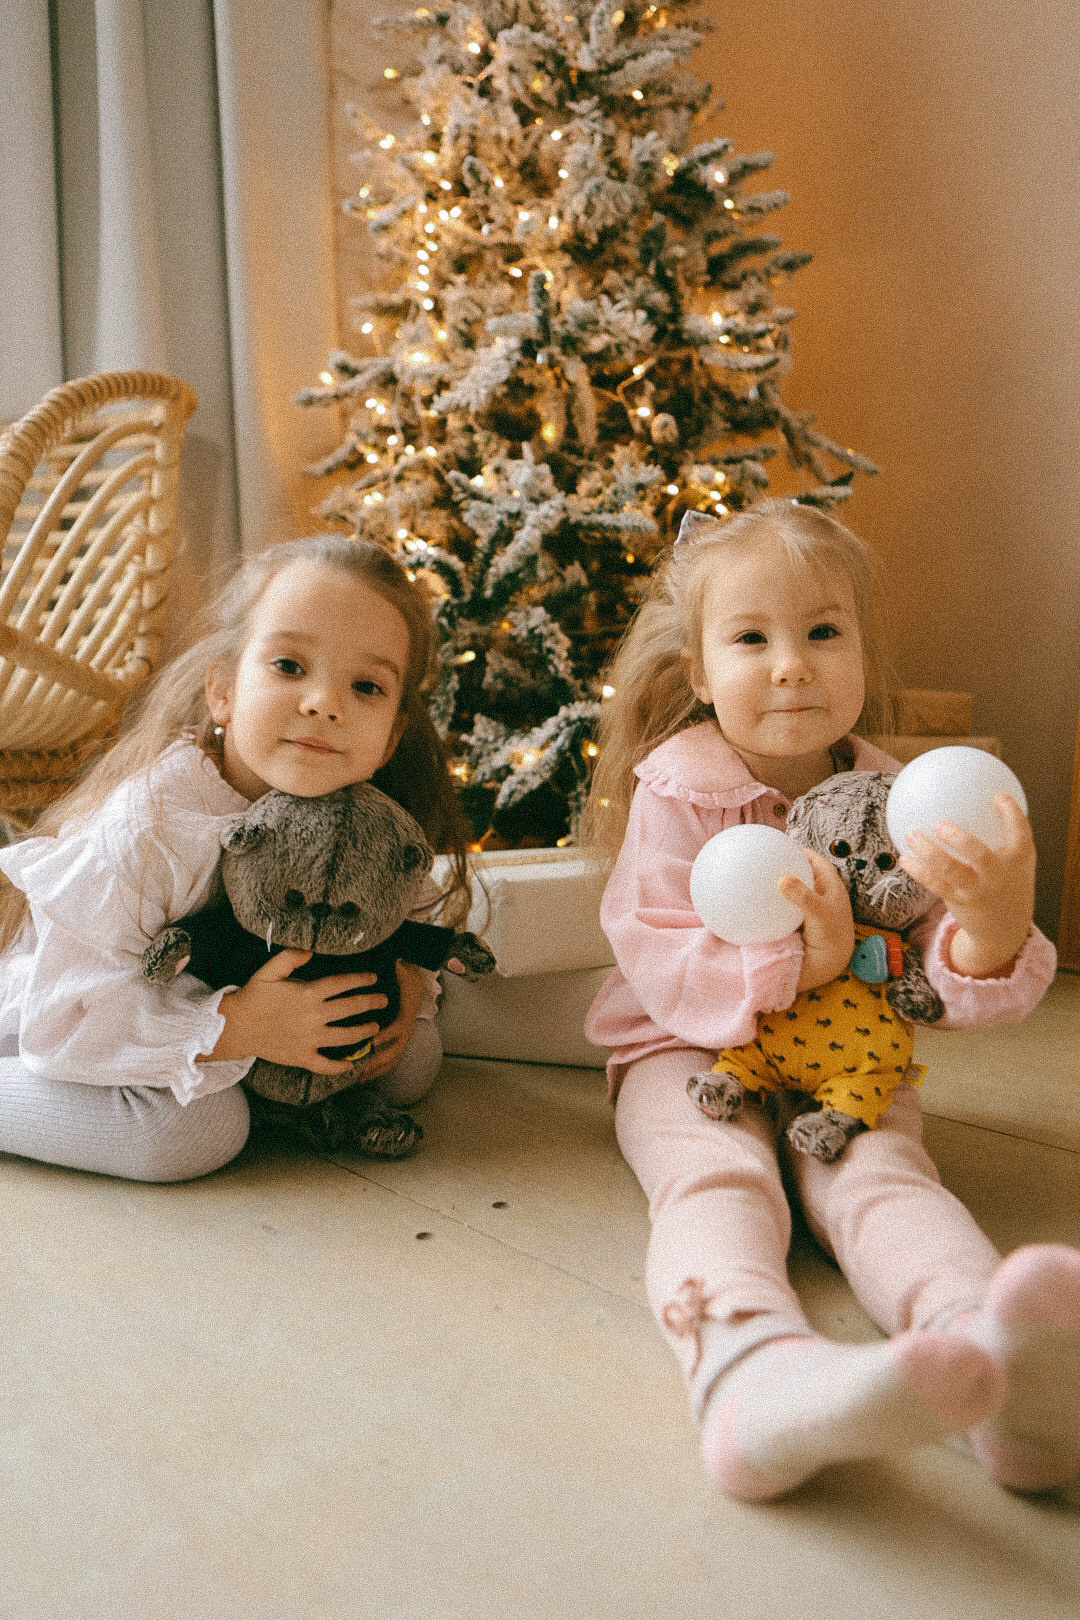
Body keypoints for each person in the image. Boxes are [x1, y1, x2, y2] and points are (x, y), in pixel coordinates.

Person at [581, 498, 1079, 1500]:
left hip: (849, 1055)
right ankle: (750, 1375)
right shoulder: (677, 788)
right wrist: (793, 966)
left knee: (886, 1175)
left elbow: (941, 967)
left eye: (822, 632)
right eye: (752, 638)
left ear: (860, 649)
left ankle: (994, 1353)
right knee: (718, 1181)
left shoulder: (909, 796)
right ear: (700, 673)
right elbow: (651, 944)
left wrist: (988, 917)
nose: (791, 664)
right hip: (684, 1051)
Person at [0, 535, 472, 1183]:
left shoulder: (370, 820)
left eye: (366, 686)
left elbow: (401, 915)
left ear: (391, 736)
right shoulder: (153, 827)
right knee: (196, 1132)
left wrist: (411, 981)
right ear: (222, 691)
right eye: (288, 666)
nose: (324, 703)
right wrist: (234, 1027)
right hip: (73, 1016)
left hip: (249, 1015)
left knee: (412, 1058)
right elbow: (68, 1020)